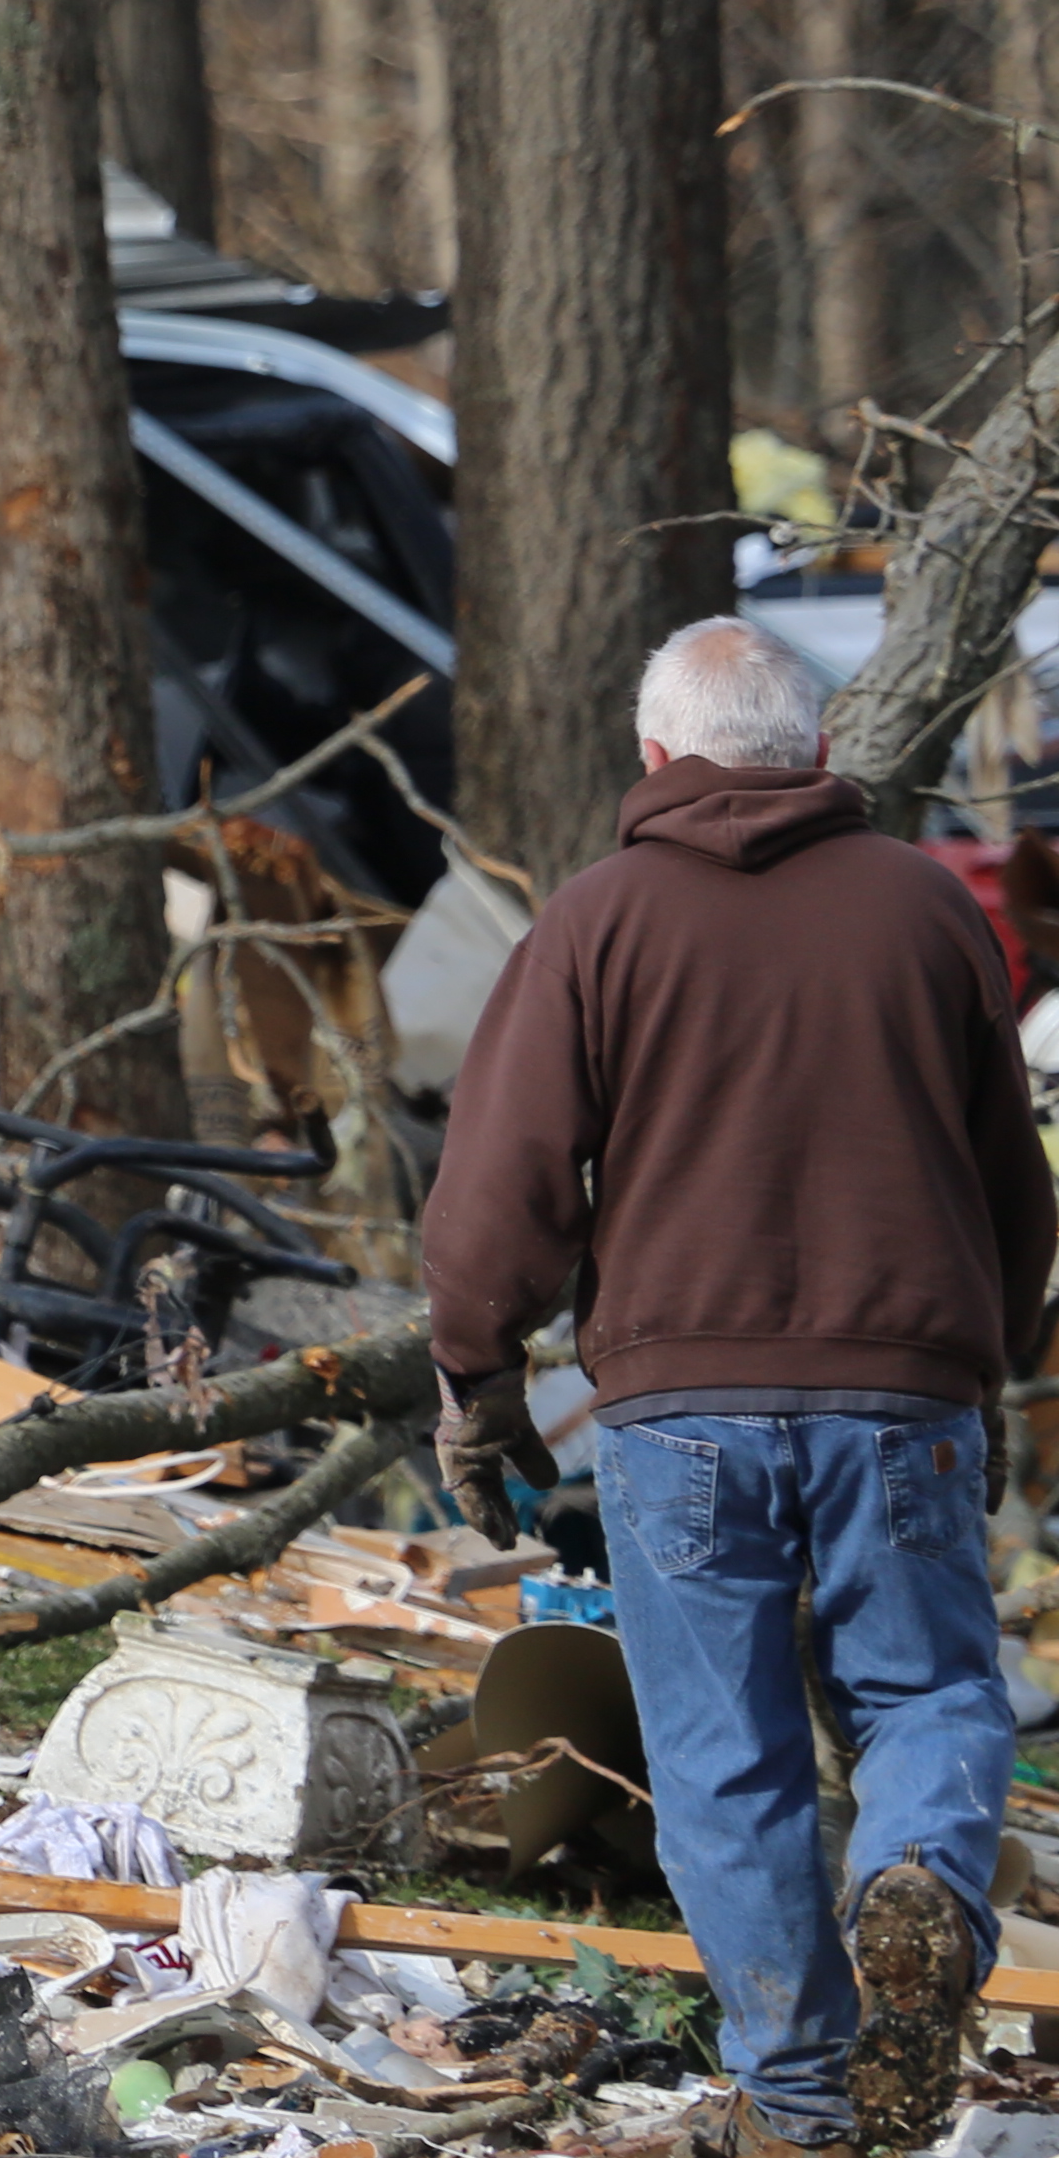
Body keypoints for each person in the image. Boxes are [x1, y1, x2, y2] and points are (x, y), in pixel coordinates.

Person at [425, 619, 1056, 2158]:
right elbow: (1008, 1178)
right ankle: (916, 1875)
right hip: (902, 1390)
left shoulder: (595, 921)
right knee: (927, 1694)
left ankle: (796, 2104)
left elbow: (500, 1187)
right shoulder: (925, 910)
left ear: (654, 756)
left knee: (727, 1754)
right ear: (820, 750)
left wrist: (479, 1378)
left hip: (678, 1410)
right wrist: (993, 1362)